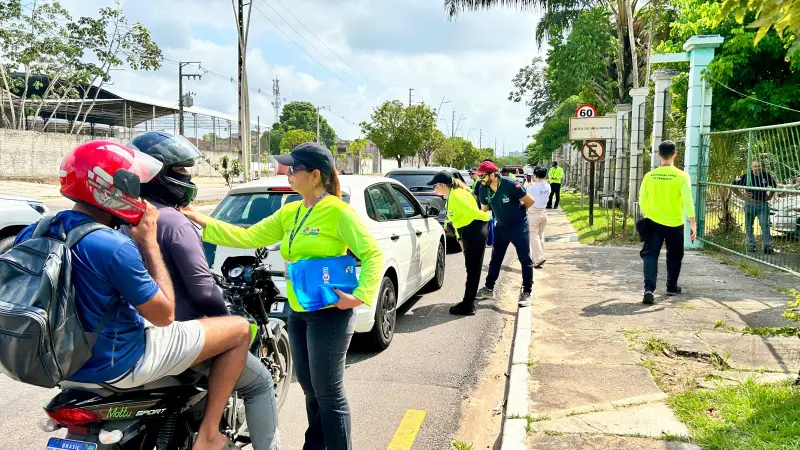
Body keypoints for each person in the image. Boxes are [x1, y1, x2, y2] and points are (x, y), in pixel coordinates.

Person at [13, 141, 252, 450]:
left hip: (59, 359)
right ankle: (208, 435)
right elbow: (164, 315)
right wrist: (149, 242)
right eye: (134, 185)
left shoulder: (35, 230)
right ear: (111, 188)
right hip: (118, 361)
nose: (138, 195)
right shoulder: (112, 245)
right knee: (239, 329)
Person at [182, 142, 384, 450]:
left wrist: (358, 296)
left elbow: (372, 253)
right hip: (299, 309)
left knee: (329, 392)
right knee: (310, 388)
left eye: (294, 169)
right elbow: (247, 236)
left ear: (315, 175)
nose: (287, 173)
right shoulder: (292, 211)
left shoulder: (338, 211)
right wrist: (200, 219)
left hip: (330, 313)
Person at [122, 132, 279, 449]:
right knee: (260, 383)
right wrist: (226, 321)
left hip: (133, 334)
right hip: (180, 335)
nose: (188, 177)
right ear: (158, 174)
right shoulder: (174, 222)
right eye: (181, 170)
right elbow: (203, 289)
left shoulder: (121, 219)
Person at [638, 141, 697, 305]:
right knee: (675, 255)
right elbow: (688, 201)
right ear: (675, 154)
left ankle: (649, 289)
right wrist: (692, 223)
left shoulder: (649, 176)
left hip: (653, 222)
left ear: (659, 155)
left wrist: (650, 214)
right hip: (675, 223)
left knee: (651, 254)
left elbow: (642, 200)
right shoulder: (682, 176)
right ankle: (671, 286)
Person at [427, 170, 491, 316]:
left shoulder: (456, 196)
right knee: (472, 269)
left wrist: (488, 217)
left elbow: (472, 212)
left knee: (473, 270)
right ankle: (468, 303)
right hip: (469, 231)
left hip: (474, 231)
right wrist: (460, 239)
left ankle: (468, 305)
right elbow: (456, 221)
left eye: (435, 186)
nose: (434, 189)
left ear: (443, 185)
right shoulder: (453, 194)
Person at [474, 161, 536, 306]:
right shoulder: (483, 188)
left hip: (519, 227)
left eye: (482, 176)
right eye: (479, 176)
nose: (480, 179)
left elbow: (530, 201)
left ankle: (527, 291)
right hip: (501, 228)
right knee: (495, 259)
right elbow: (484, 210)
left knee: (525, 259)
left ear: (493, 175)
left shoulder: (510, 185)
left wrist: (519, 212)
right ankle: (488, 288)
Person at [733, 160, 777, 254]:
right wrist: (742, 196)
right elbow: (733, 185)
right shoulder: (746, 176)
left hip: (762, 205)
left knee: (764, 225)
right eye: (755, 166)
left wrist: (770, 196)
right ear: (752, 168)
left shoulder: (766, 175)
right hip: (750, 205)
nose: (757, 168)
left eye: (759, 166)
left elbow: (774, 186)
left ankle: (767, 246)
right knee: (749, 226)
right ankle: (751, 246)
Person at [527, 167, 551, 268]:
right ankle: (540, 256)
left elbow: (526, 200)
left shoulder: (531, 188)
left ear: (535, 176)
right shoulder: (548, 186)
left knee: (533, 236)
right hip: (543, 213)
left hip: (534, 213)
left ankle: (538, 259)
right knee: (540, 235)